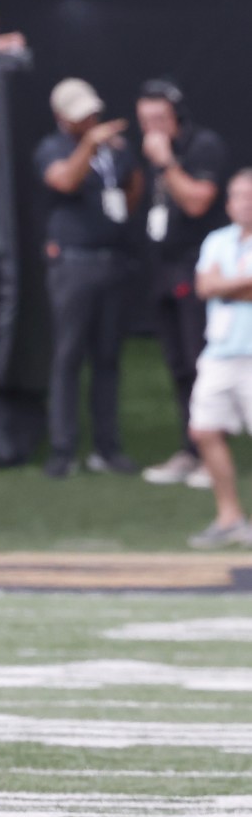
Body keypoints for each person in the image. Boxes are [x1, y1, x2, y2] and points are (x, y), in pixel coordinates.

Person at [34, 78, 143, 477]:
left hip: (112, 260)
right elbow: (63, 180)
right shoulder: (54, 147)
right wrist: (89, 145)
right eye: (81, 115)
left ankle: (107, 448)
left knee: (108, 357)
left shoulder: (115, 150)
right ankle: (63, 450)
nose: (91, 119)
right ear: (63, 117)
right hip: (73, 265)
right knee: (68, 356)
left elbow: (133, 184)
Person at [137, 78, 230, 489]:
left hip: (196, 266)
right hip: (162, 266)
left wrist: (165, 163)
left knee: (198, 362)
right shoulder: (150, 151)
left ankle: (211, 452)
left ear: (177, 115)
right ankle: (190, 449)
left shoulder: (202, 147)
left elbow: (197, 200)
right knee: (177, 364)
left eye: (159, 118)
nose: (152, 128)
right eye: (145, 120)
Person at [187, 170, 252, 548]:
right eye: (239, 195)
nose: (245, 202)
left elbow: (216, 284)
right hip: (220, 353)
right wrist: (240, 285)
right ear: (228, 203)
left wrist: (223, 285)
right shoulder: (217, 240)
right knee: (205, 430)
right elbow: (204, 286)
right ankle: (230, 517)